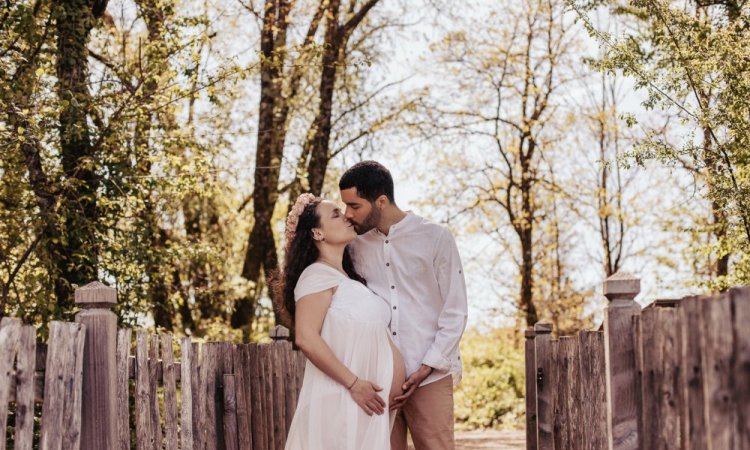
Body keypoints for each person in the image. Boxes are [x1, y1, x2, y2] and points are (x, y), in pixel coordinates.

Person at [340, 161, 468, 450]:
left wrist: (426, 367)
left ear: (381, 201)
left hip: (430, 375)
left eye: (355, 206)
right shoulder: (354, 247)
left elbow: (455, 310)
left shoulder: (435, 237)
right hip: (378, 379)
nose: (348, 214)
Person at [282, 193, 406, 450]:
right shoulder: (315, 275)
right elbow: (306, 337)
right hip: (344, 398)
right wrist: (354, 384)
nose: (347, 216)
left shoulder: (346, 278)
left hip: (364, 404)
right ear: (317, 233)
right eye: (335, 214)